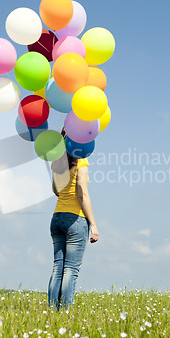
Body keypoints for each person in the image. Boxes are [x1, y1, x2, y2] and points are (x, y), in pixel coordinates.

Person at [48, 129, 99, 310]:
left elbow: (55, 190)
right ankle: (66, 312)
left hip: (57, 217)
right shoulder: (81, 159)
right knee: (71, 269)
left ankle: (52, 310)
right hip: (75, 218)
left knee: (57, 267)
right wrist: (93, 224)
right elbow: (82, 191)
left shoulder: (57, 161)